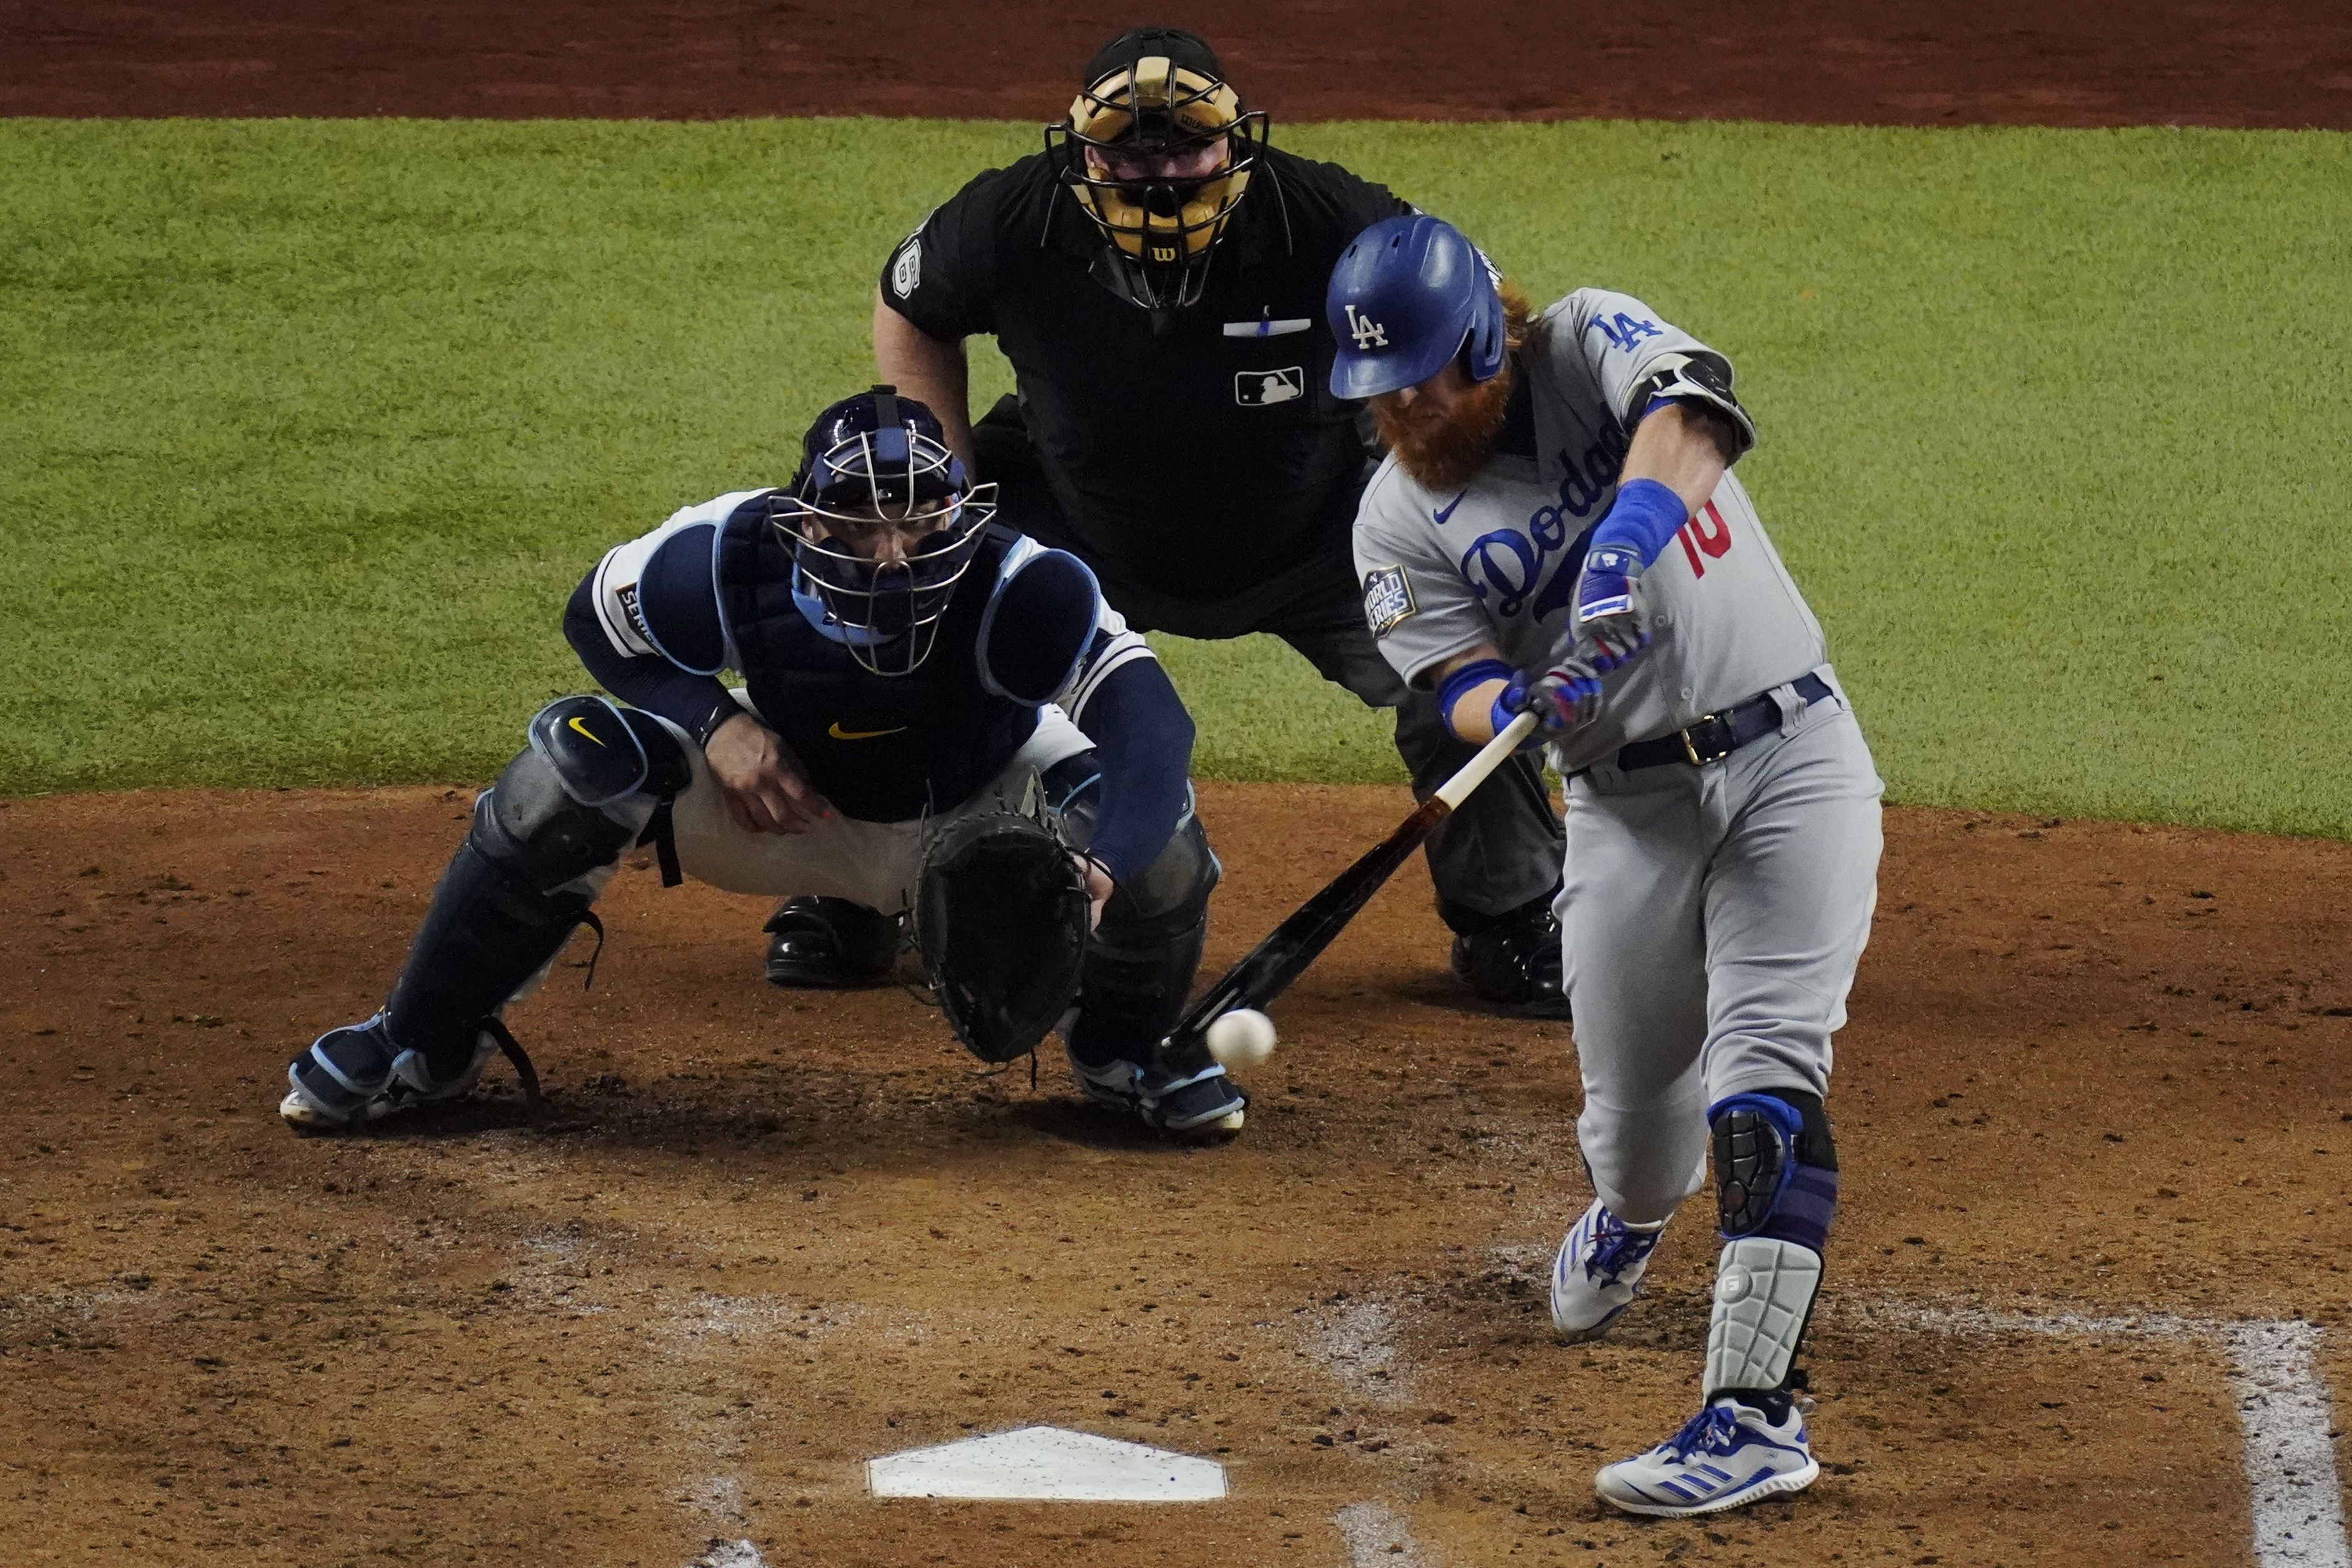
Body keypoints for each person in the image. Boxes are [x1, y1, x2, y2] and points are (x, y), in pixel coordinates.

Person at [760, 25, 1568, 1012]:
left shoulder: (1324, 216)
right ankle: (855, 891)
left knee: (1461, 656)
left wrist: (1440, 483)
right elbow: (909, 303)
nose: (1160, 175)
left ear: (1234, 144)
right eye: (1131, 153)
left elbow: (1461, 309)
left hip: (1320, 533)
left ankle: (1513, 916)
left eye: (1185, 148)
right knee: (908, 595)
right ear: (1084, 154)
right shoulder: (1014, 218)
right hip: (1079, 512)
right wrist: (948, 497)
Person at [281, 388, 1247, 1139]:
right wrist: (713, 723)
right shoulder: (721, 556)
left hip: (982, 815)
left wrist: (1100, 871)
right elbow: (595, 617)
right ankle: (422, 1039)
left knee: (1156, 832)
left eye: (918, 522)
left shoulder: (1024, 583)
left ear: (961, 515)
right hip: (782, 816)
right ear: (808, 522)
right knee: (568, 769)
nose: (895, 554)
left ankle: (1122, 1056)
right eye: (864, 525)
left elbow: (1153, 731)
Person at [1332, 216, 1882, 1516]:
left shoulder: (1582, 339)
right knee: (1640, 1139)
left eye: (1426, 375)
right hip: (1626, 813)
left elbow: (1695, 413)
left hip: (1791, 751)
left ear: (1484, 336)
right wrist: (1522, 699)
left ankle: (1755, 1416)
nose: (1407, 408)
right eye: (1382, 390)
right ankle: (1634, 1211)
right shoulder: (1393, 525)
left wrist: (1625, 544)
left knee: (1763, 1072)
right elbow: (1454, 691)